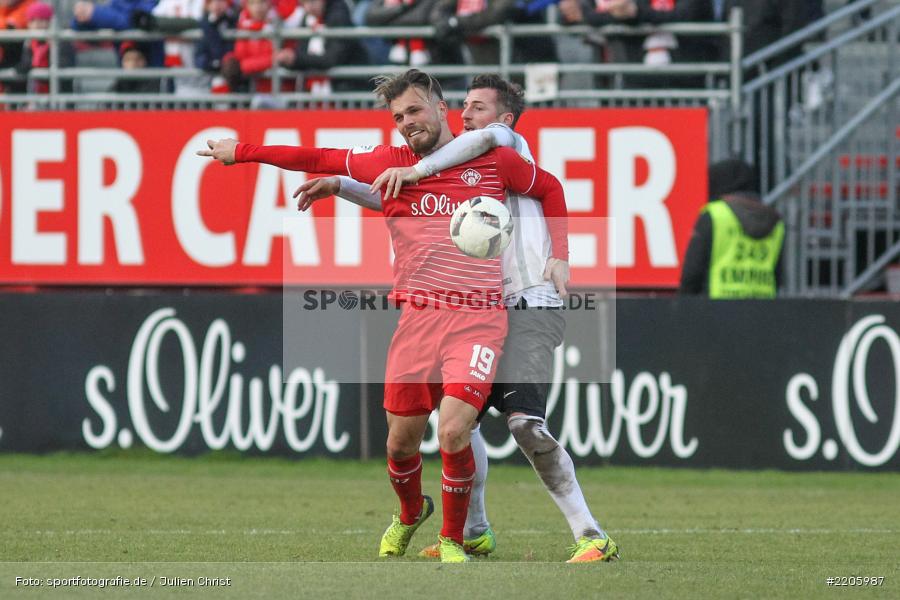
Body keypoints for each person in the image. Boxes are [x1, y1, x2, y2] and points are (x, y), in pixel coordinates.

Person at [198, 69, 570, 563]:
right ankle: (411, 511)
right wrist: (243, 152)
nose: (407, 122)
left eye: (415, 110)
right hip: (417, 320)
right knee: (400, 444)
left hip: (478, 317)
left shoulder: (491, 157)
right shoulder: (387, 163)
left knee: (454, 430)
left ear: (442, 108)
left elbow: (550, 187)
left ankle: (454, 539)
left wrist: (559, 255)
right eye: (398, 116)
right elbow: (316, 156)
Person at [294, 74, 619, 563]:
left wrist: (561, 254)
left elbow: (536, 182)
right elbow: (396, 193)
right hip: (479, 310)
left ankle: (591, 534)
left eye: (477, 108)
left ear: (504, 119)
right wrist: (343, 184)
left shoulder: (503, 144)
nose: (467, 116)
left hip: (529, 304)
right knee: (457, 426)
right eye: (463, 106)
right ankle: (475, 531)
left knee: (525, 426)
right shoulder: (459, 166)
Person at [679, 159, 784, 298]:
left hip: (717, 306)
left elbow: (692, 273)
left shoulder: (715, 214)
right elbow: (778, 275)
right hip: (762, 305)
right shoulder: (775, 221)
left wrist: (682, 304)